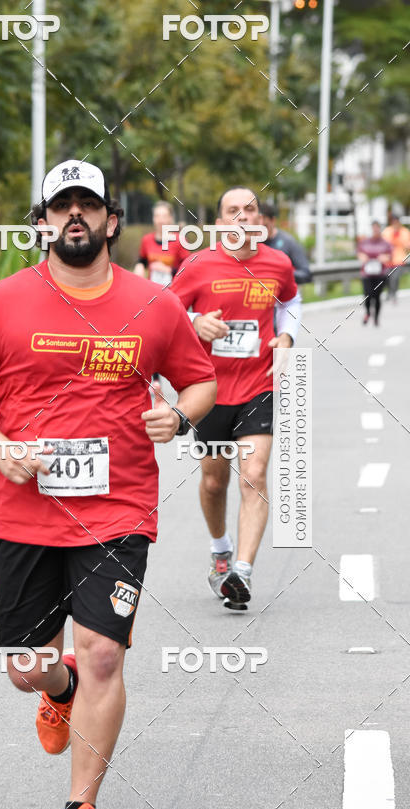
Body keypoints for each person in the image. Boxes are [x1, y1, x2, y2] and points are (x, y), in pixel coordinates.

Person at [0, 160, 216, 809]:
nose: (75, 216)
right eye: (61, 205)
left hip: (118, 508)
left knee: (104, 654)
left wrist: (179, 419)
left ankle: (80, 807)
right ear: (42, 221)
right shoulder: (3, 301)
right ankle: (54, 685)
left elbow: (200, 380)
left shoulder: (152, 304)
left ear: (110, 220)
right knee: (27, 667)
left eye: (87, 205)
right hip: (21, 512)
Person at [171, 187, 302, 611]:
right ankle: (221, 552)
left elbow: (291, 301)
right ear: (220, 223)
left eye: (251, 210)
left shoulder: (278, 263)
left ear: (261, 220)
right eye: (233, 211)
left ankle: (240, 574)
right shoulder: (199, 264)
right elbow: (164, 311)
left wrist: (286, 336)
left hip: (258, 385)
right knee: (213, 481)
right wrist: (195, 321)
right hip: (208, 390)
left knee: (255, 475)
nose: (243, 217)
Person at [134, 201, 191, 389]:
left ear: (170, 218)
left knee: (172, 336)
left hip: (173, 295)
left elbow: (188, 270)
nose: (160, 220)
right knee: (152, 334)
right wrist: (138, 272)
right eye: (156, 216)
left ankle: (182, 376)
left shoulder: (179, 241)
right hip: (151, 295)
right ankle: (155, 379)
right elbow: (141, 260)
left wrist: (168, 269)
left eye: (163, 216)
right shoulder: (147, 240)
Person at [259, 202, 312, 284]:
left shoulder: (288, 242)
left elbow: (306, 274)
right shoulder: (252, 244)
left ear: (273, 221)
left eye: (265, 226)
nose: (261, 231)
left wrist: (281, 274)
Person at [357, 222, 392, 326]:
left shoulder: (385, 243)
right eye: (373, 228)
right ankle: (367, 312)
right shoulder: (364, 243)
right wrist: (363, 257)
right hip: (367, 274)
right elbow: (359, 253)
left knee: (376, 296)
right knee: (367, 295)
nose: (375, 230)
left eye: (377, 228)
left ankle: (376, 317)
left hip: (380, 274)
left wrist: (383, 258)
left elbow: (389, 256)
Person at [382, 213, 410, 302]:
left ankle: (393, 294)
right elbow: (383, 244)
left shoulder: (405, 232)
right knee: (387, 277)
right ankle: (389, 292)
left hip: (399, 259)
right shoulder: (387, 231)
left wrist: (400, 240)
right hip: (388, 260)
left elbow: (408, 245)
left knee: (395, 277)